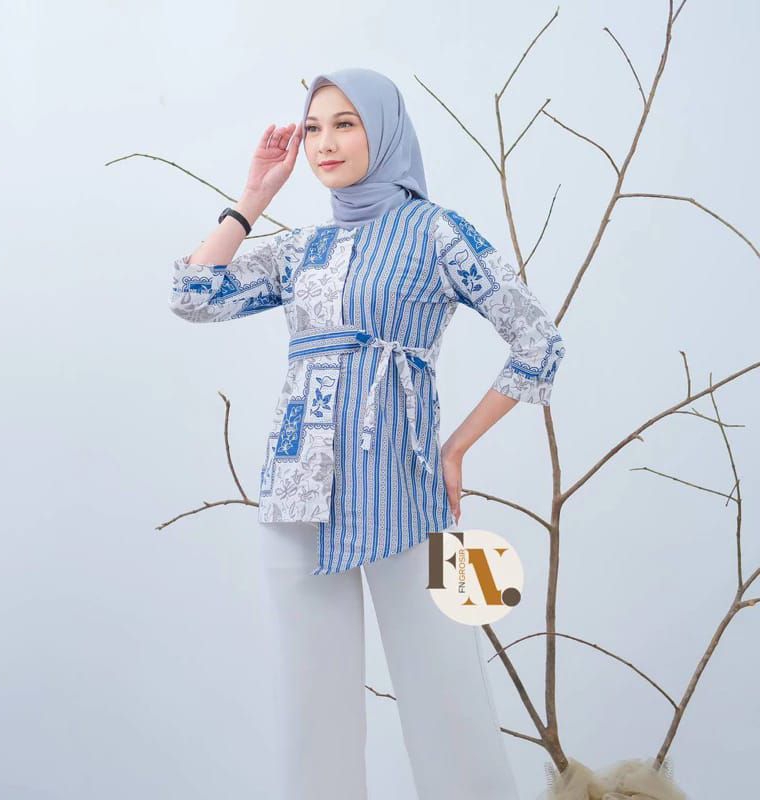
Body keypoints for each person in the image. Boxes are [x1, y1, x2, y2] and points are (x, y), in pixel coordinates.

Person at [169, 67, 566, 800]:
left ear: (384, 131)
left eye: (345, 124)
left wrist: (456, 447)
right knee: (309, 709)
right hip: (297, 494)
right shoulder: (302, 248)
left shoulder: (438, 231)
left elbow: (538, 340)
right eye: (313, 128)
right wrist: (254, 196)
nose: (325, 142)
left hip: (408, 490)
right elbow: (192, 296)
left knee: (449, 696)